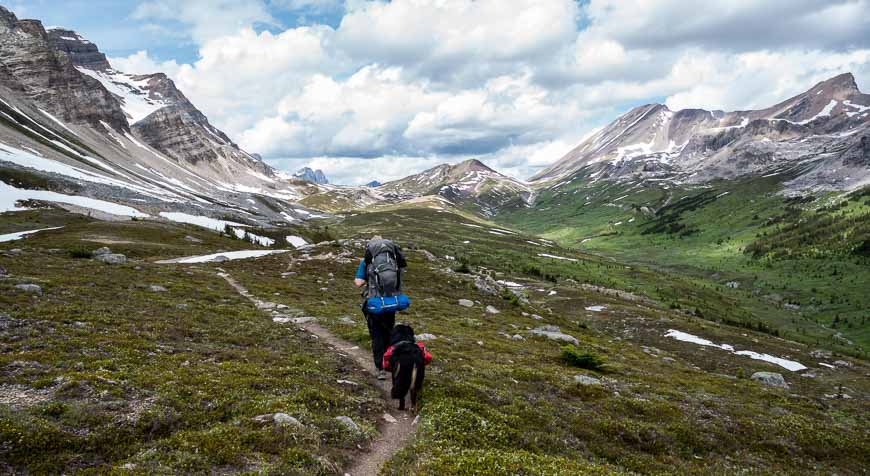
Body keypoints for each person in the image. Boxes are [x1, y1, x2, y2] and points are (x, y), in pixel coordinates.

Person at [354, 236, 407, 380]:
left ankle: (380, 369)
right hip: (391, 303)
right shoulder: (393, 259)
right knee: (389, 332)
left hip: (374, 304)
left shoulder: (367, 261)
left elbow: (358, 283)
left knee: (377, 336)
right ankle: (392, 363)